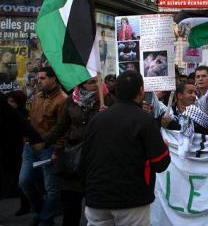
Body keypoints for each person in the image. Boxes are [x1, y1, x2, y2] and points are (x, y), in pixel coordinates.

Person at [82, 71, 170, 226]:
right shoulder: (145, 120)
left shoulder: (96, 120)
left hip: (96, 198)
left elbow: (85, 159)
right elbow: (160, 163)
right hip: (132, 200)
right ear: (141, 91)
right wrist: (164, 148)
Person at [43, 78, 111, 226]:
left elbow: (117, 127)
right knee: (71, 205)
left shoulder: (108, 100)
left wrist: (108, 115)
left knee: (97, 210)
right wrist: (42, 141)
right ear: (82, 84)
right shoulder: (71, 101)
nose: (97, 85)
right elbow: (61, 126)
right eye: (92, 82)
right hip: (73, 158)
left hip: (96, 159)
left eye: (98, 81)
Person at [19, 66, 67, 226]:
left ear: (53, 79)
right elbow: (30, 120)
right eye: (38, 78)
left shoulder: (62, 99)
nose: (39, 81)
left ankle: (45, 219)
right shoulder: (37, 97)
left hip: (49, 147)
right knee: (24, 181)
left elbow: (63, 128)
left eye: (42, 78)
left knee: (51, 187)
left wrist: (57, 150)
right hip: (31, 146)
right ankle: (42, 213)